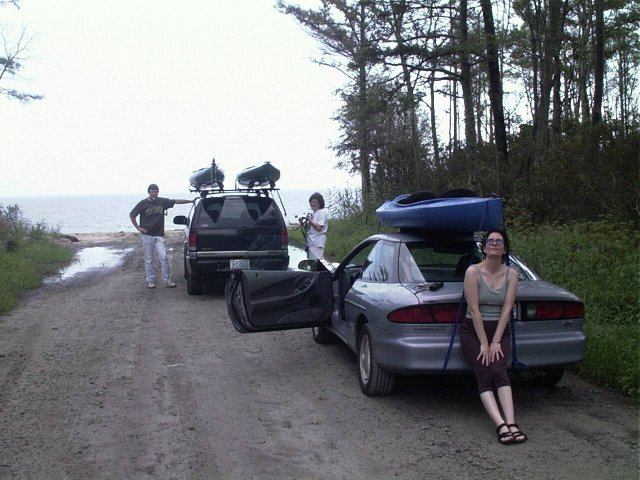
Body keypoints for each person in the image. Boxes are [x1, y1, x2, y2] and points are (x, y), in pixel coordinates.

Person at [461, 229, 528, 445]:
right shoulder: (472, 272)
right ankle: (500, 425)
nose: (494, 244)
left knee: (499, 370)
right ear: (484, 247)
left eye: (499, 242)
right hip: (474, 331)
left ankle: (512, 423)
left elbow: (507, 309)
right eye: (490, 241)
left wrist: (496, 341)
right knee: (483, 372)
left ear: (505, 249)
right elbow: (474, 309)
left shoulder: (511, 274)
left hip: (499, 331)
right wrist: (484, 343)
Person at [129, 184, 195, 289]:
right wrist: (138, 228)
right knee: (149, 259)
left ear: (158, 192)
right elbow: (132, 214)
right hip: (147, 235)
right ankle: (150, 281)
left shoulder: (162, 202)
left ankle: (167, 280)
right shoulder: (143, 203)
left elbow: (176, 201)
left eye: (155, 191)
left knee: (164, 257)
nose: (153, 193)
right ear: (148, 192)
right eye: (151, 191)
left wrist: (191, 201)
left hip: (159, 235)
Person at [299, 192, 328, 260]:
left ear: (320, 203)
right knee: (311, 261)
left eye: (315, 202)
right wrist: (302, 223)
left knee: (316, 261)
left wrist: (310, 220)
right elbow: (308, 229)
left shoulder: (322, 212)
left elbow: (319, 228)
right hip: (310, 242)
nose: (312, 204)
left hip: (317, 242)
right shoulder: (313, 213)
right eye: (311, 202)